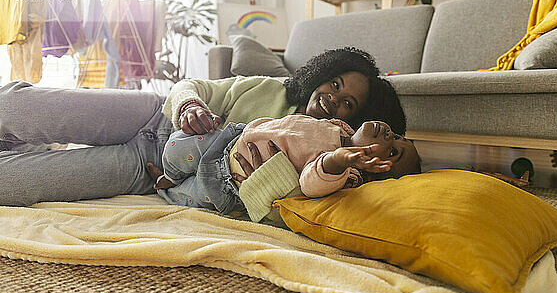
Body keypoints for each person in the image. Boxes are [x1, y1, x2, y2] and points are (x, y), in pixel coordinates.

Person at [0, 46, 407, 206]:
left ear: (352, 118)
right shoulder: (267, 87)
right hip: (153, 115)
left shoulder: (316, 157)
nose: (332, 98)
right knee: (17, 108)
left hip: (151, 170)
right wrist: (191, 105)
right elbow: (190, 84)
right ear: (323, 73)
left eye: (347, 101)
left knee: (15, 185)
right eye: (334, 83)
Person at [145, 115, 421, 224]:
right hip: (232, 139)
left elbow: (311, 182)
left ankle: (168, 186)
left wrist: (338, 160)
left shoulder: (344, 174)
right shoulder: (342, 127)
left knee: (190, 197)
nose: (389, 136)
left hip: (225, 181)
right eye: (396, 134)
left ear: (373, 172)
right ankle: (170, 173)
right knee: (174, 150)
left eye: (394, 151)